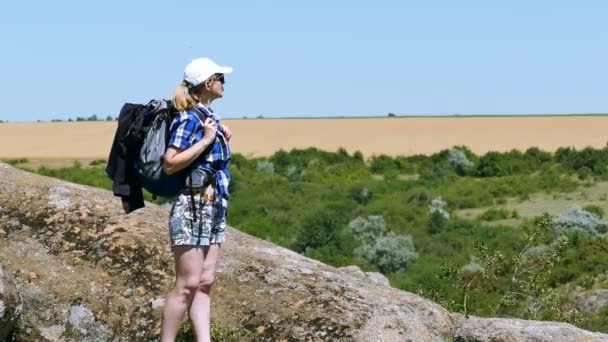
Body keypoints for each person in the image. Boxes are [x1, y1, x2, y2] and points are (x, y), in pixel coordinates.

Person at [160, 57, 233, 342]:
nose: (224, 83)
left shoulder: (208, 118)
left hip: (213, 206)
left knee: (205, 283)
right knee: (188, 284)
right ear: (207, 83)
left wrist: (221, 137)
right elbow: (170, 162)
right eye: (220, 78)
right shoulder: (188, 117)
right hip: (192, 206)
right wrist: (206, 140)